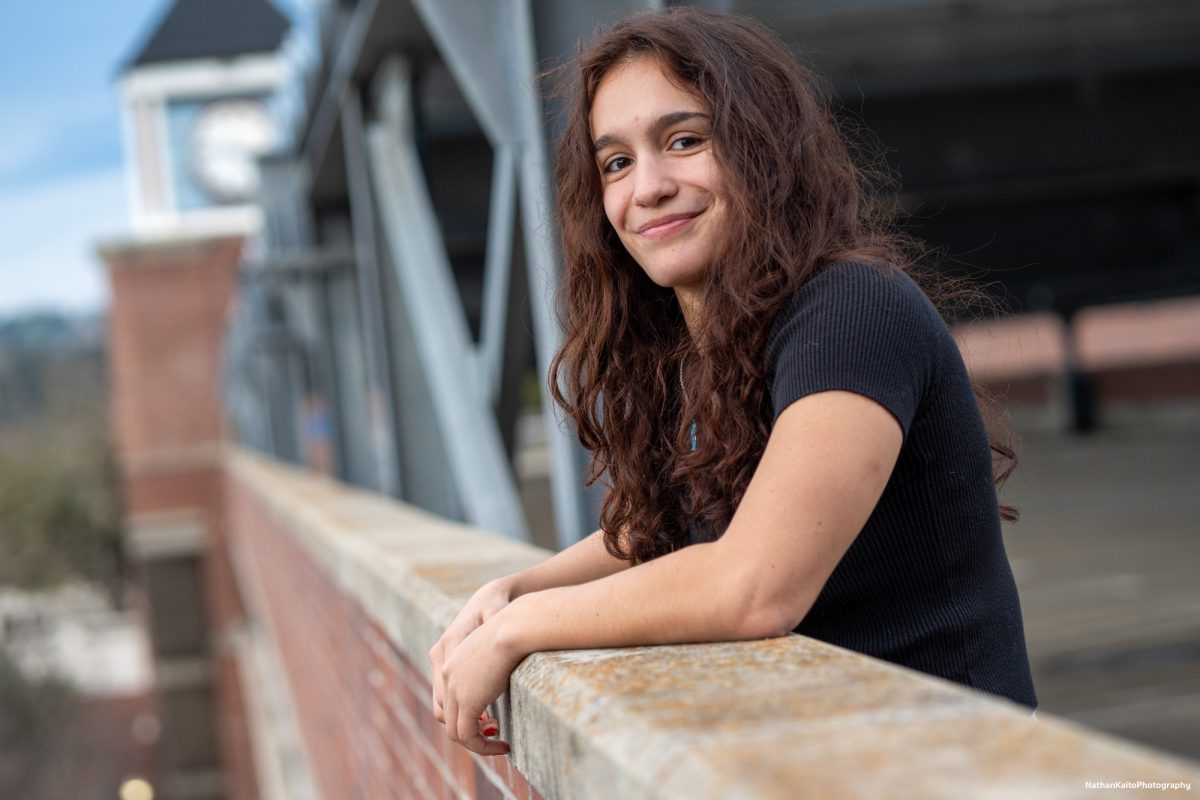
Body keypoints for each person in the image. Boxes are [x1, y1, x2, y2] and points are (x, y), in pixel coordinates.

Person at [428, 7, 1038, 756]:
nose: (645, 187)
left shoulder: (852, 311)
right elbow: (666, 533)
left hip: (951, 768)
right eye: (615, 162)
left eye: (684, 141)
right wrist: (514, 592)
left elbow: (754, 583)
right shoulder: (703, 358)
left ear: (762, 150)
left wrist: (522, 628)